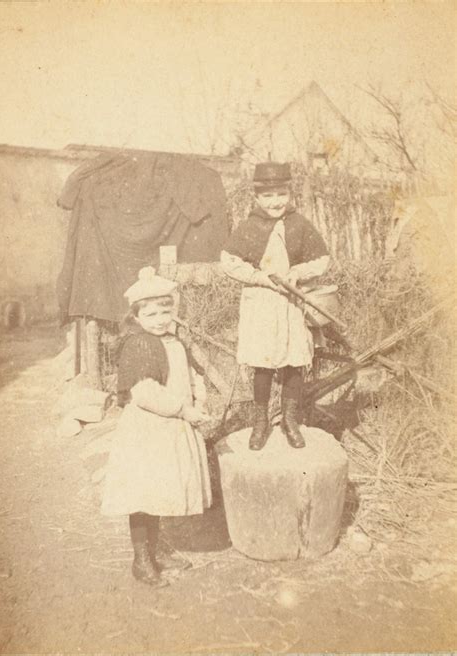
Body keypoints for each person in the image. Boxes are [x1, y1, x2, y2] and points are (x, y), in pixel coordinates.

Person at [101, 267, 212, 587]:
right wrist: (183, 410)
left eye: (166, 311)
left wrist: (199, 400)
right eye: (151, 314)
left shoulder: (174, 341)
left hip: (173, 426)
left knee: (159, 490)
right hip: (148, 430)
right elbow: (144, 394)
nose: (161, 319)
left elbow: (192, 376)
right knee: (142, 494)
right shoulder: (139, 345)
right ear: (136, 315)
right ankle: (141, 559)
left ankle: (156, 548)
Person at [221, 162, 329, 451]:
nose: (275, 202)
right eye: (268, 196)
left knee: (294, 361)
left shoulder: (300, 224)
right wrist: (259, 278)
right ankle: (260, 423)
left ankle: (290, 422)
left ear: (289, 194)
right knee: (264, 364)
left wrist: (298, 273)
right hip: (261, 304)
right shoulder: (249, 227)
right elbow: (229, 261)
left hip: (291, 303)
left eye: (281, 194)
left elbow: (321, 259)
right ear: (256, 198)